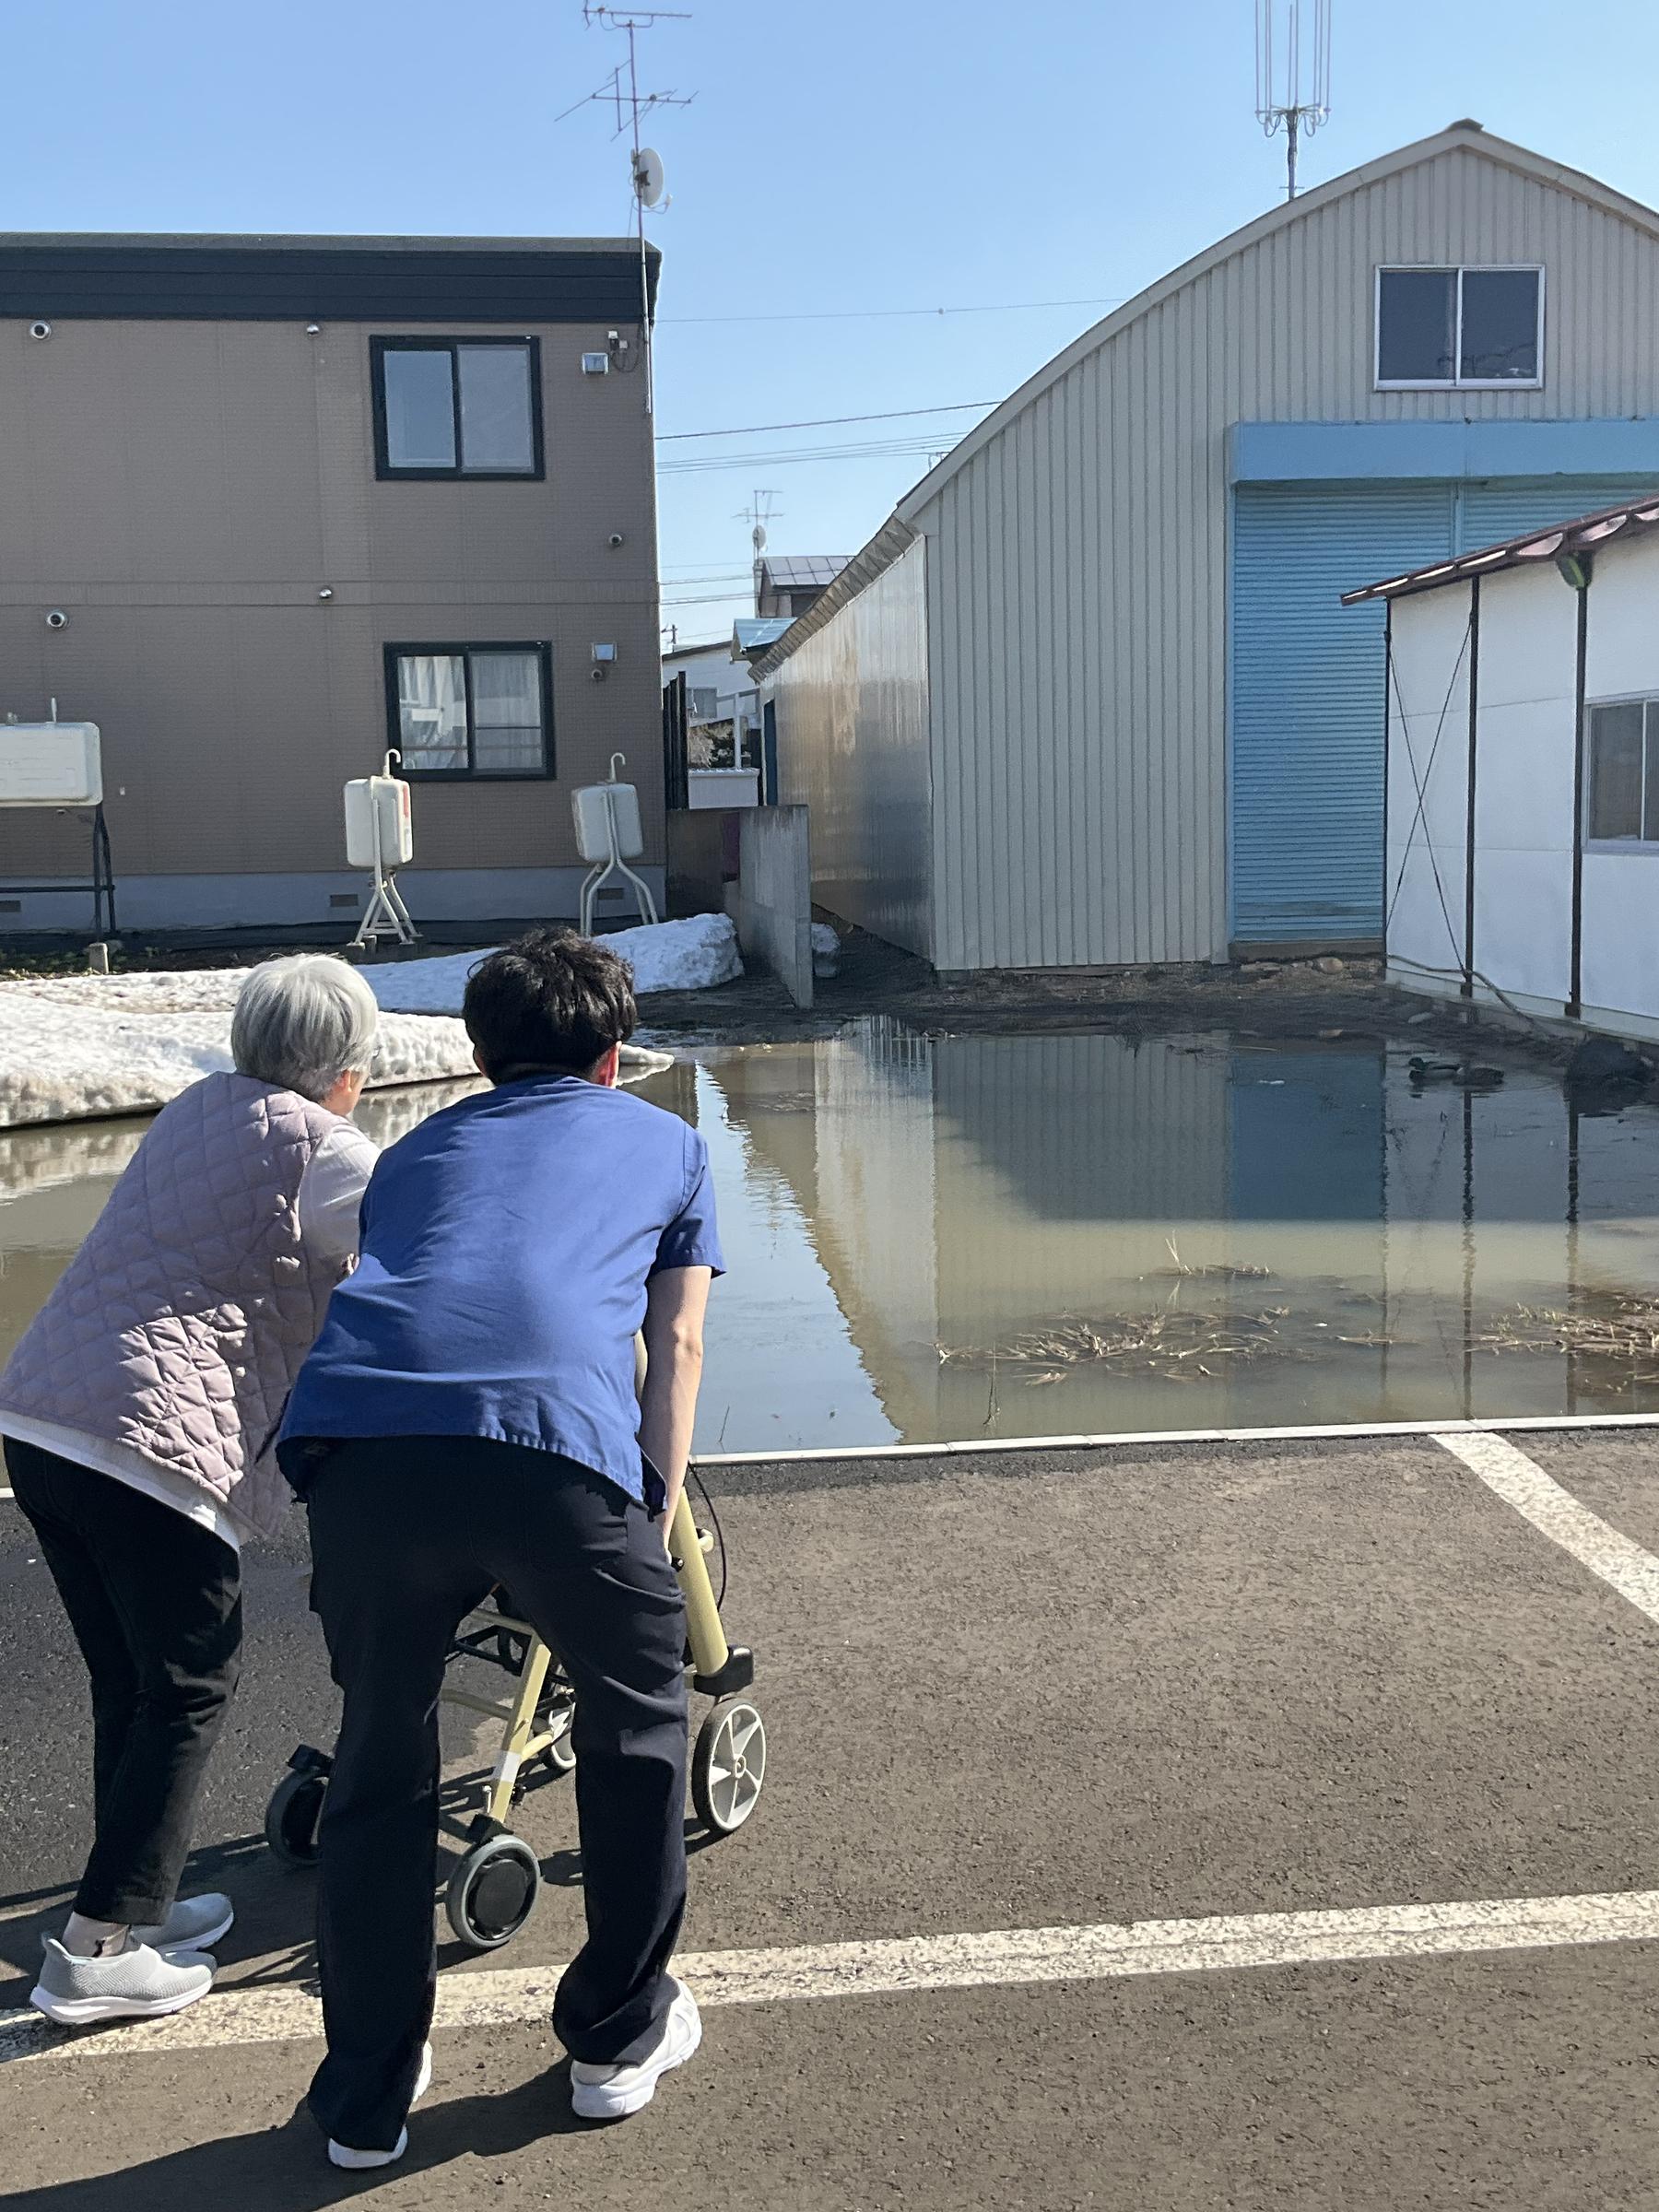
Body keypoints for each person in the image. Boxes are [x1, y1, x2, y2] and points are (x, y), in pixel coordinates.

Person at [278, 926, 721, 2171]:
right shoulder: (672, 1144)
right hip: (551, 1450)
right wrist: (648, 1509)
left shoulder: (415, 1150)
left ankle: (366, 2094)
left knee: (381, 1752)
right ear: (615, 1057)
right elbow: (676, 1344)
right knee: (637, 1725)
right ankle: (615, 2038)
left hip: (361, 1448)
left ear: (479, 1056)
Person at [0, 954, 380, 2026]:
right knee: (188, 1683)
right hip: (148, 1447)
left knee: (131, 1682)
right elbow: (431, 1260)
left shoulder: (195, 1111)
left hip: (41, 1418)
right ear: (349, 1068)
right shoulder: (330, 1154)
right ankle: (95, 1954)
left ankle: (131, 1906)